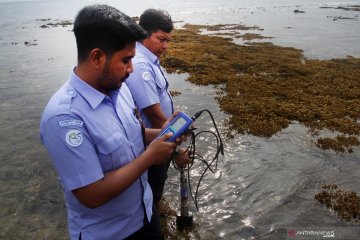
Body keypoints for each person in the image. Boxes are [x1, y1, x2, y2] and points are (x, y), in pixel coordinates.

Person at [40, 5, 188, 240]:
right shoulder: (64, 118)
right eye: (126, 60)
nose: (131, 69)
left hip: (144, 215)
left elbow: (135, 134)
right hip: (110, 233)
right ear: (97, 57)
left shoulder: (119, 90)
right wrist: (150, 157)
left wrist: (163, 133)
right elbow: (91, 194)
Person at [125, 9, 190, 216]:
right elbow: (153, 114)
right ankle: (152, 213)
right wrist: (175, 146)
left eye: (168, 41)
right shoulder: (141, 65)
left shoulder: (149, 59)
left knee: (157, 182)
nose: (165, 46)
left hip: (159, 135)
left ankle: (157, 205)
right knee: (152, 182)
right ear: (144, 34)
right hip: (153, 140)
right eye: (161, 39)